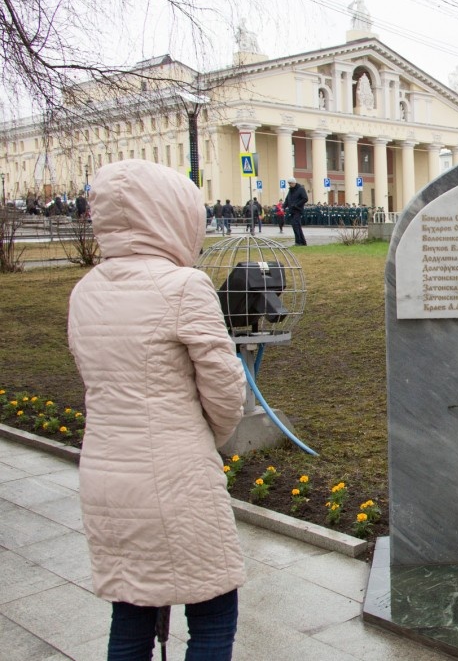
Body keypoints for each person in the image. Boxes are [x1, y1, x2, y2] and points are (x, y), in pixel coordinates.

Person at [66, 159, 246, 660]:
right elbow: (226, 390)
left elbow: (94, 378)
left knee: (131, 609)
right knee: (213, 608)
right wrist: (204, 435)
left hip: (105, 474)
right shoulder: (183, 286)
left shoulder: (86, 291)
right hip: (175, 476)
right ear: (171, 213)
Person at [284, 179, 308, 246]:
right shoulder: (290, 190)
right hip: (292, 211)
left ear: (294, 183)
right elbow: (287, 200)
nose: (290, 185)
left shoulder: (301, 189)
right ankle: (302, 242)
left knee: (295, 225)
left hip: (298, 210)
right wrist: (283, 207)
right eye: (289, 184)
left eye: (291, 183)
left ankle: (298, 242)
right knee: (297, 226)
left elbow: (305, 198)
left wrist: (297, 204)